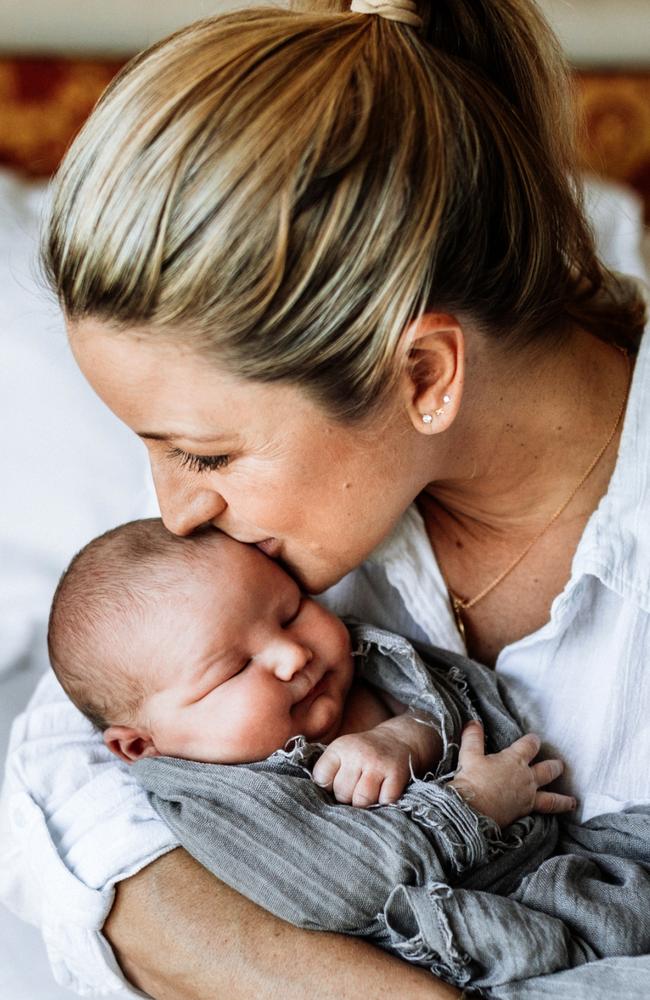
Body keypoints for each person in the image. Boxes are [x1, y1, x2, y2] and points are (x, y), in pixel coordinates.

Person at [1, 0, 648, 997]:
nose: (175, 513)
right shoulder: (270, 564)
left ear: (424, 374)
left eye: (205, 454)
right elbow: (65, 759)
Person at [48, 516, 570, 824]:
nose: (292, 655)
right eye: (233, 670)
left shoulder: (372, 675)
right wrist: (469, 804)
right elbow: (351, 883)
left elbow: (461, 709)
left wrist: (404, 737)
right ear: (140, 747)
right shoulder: (226, 811)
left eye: (292, 610)